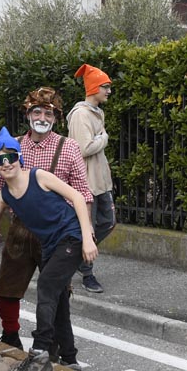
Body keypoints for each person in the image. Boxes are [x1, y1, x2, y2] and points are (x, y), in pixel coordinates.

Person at [0, 128, 97, 371]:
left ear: (19, 157)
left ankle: (39, 354)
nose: (6, 164)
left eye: (10, 156)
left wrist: (88, 237)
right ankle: (70, 359)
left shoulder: (39, 176)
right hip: (51, 245)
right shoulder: (4, 196)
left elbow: (78, 197)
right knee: (57, 298)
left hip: (70, 237)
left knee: (47, 286)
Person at [0, 87, 92, 367]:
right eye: (37, 111)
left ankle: (55, 348)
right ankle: (10, 334)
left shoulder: (68, 147)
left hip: (58, 234)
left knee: (55, 291)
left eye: (48, 112)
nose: (42, 116)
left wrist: (87, 236)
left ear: (56, 118)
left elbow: (83, 193)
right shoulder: (14, 144)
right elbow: (1, 188)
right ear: (28, 114)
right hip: (21, 228)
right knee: (8, 284)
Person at [68, 63, 116, 293]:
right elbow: (83, 148)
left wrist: (100, 136)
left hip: (100, 181)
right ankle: (87, 273)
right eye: (105, 87)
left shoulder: (98, 112)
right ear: (94, 87)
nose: (108, 91)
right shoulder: (80, 115)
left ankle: (78, 259)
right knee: (89, 228)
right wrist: (103, 138)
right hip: (85, 181)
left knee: (108, 222)